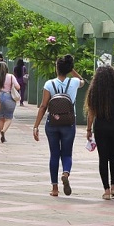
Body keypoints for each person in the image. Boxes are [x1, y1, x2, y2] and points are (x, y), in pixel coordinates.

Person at [32, 54, 86, 197]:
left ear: (56, 68)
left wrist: (36, 126)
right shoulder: (74, 82)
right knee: (67, 153)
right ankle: (66, 173)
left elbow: (43, 106)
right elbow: (83, 81)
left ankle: (55, 189)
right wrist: (71, 70)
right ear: (68, 69)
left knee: (54, 154)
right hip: (69, 123)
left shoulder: (49, 84)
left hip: (52, 123)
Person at [85, 65, 114, 200]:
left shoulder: (95, 91)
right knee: (113, 157)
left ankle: (106, 190)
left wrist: (88, 129)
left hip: (101, 128)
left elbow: (91, 113)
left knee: (103, 158)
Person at [0, 62, 20, 142]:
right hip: (9, 97)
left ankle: (3, 136)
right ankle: (3, 131)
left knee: (1, 118)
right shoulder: (11, 76)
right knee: (8, 118)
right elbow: (18, 87)